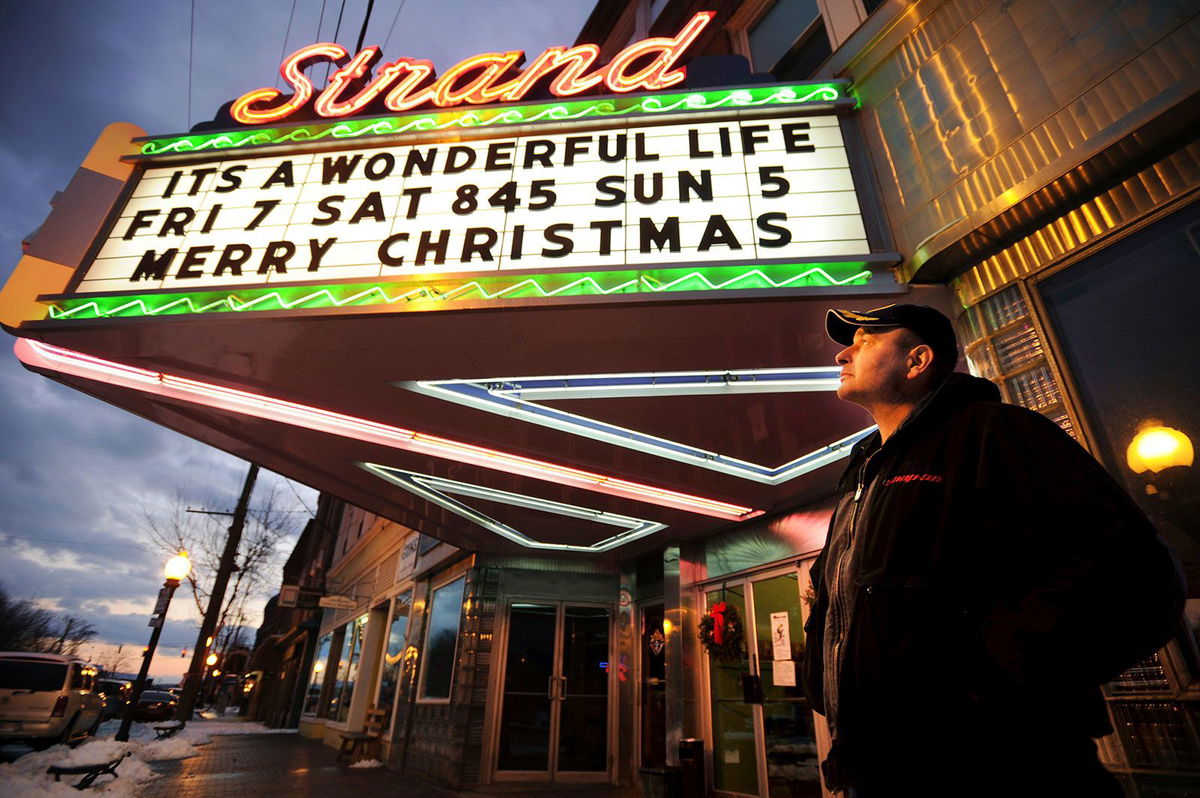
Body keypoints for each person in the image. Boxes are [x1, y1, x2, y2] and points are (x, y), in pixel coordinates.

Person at [801, 303, 1184, 796]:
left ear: (917, 361)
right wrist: (824, 681)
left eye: (867, 340)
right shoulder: (863, 475)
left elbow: (1133, 569)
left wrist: (989, 683)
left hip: (1003, 767)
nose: (843, 353)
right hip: (877, 769)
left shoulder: (995, 433)